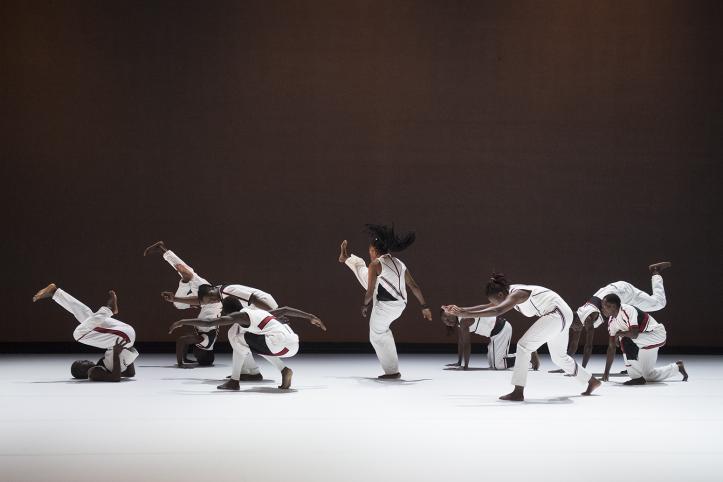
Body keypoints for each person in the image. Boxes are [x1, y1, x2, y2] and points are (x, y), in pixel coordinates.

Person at [443, 273, 601, 401]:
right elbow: (489, 307)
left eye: (495, 300)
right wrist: (460, 309)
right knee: (559, 357)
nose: (494, 303)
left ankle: (518, 391)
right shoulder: (509, 294)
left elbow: (497, 311)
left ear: (500, 294)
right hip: (562, 314)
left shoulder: (517, 294)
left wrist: (464, 314)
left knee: (523, 346)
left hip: (557, 314)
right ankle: (591, 381)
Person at [338, 225, 432, 379]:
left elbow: (369, 291)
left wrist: (365, 305)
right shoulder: (399, 263)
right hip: (401, 304)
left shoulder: (375, 264)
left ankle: (392, 372)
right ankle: (346, 258)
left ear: (374, 251)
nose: (370, 254)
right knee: (362, 269)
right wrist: (424, 306)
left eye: (370, 251)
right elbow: (414, 286)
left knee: (377, 334)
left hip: (385, 307)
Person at [169, 297, 326, 389]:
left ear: (231, 312)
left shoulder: (241, 316)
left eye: (225, 312)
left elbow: (211, 322)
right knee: (249, 340)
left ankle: (234, 381)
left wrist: (183, 321)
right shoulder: (260, 312)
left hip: (278, 344)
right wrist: (311, 316)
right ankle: (284, 370)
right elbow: (284, 309)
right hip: (293, 345)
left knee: (238, 339)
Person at [161, 281, 281, 381]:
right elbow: (200, 300)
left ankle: (256, 372)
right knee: (236, 335)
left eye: (211, 298)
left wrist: (275, 315)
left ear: (212, 289)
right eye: (209, 301)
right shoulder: (217, 293)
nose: (212, 301)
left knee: (238, 335)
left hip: (266, 306)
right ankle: (250, 371)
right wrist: (175, 299)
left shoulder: (227, 291)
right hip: (256, 310)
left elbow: (254, 299)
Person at [567, 261, 672, 370]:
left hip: (623, 293)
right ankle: (633, 365)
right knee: (624, 329)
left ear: (575, 321)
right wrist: (566, 365)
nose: (574, 329)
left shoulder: (588, 319)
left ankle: (656, 272)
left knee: (658, 303)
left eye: (573, 327)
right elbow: (574, 344)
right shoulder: (579, 318)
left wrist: (581, 370)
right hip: (617, 291)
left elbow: (588, 346)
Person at [32, 283, 138, 382]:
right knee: (78, 334)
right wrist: (118, 354)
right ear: (81, 373)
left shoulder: (103, 364)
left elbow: (129, 374)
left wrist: (122, 353)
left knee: (89, 319)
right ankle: (109, 309)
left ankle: (55, 292)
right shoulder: (93, 373)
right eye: (81, 364)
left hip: (125, 334)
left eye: (82, 360)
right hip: (125, 337)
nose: (85, 361)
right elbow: (118, 377)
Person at [144, 240, 220, 367]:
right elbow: (181, 341)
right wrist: (180, 363)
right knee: (186, 272)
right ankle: (162, 249)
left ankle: (185, 281)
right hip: (209, 298)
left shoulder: (207, 342)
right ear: (203, 353)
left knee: (179, 304)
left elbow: (185, 341)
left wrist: (185, 358)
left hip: (206, 302)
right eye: (197, 355)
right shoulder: (205, 342)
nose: (194, 353)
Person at [601, 293, 687, 384]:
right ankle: (677, 367)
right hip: (643, 340)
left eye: (604, 306)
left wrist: (619, 334)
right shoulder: (612, 322)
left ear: (613, 306)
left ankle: (637, 378)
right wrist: (606, 372)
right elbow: (611, 347)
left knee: (625, 340)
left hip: (656, 335)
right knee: (648, 375)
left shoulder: (627, 310)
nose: (602, 309)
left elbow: (634, 334)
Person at [440, 311, 540, 370]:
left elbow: (466, 344)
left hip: (501, 330)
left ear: (454, 313)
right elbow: (461, 342)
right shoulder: (459, 322)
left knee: (498, 365)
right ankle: (526, 357)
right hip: (494, 334)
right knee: (492, 365)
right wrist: (458, 362)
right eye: (444, 320)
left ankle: (529, 356)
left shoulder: (464, 321)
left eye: (448, 318)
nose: (447, 321)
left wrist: (465, 366)